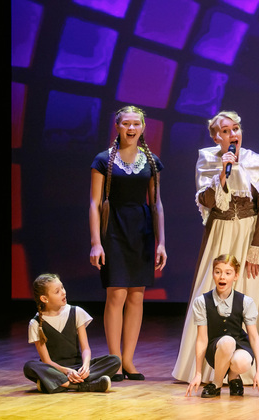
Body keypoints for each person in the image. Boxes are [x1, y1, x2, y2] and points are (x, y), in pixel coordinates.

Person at [172, 110, 259, 385]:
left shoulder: (258, 161)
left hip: (250, 234)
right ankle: (204, 368)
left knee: (249, 291)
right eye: (225, 131)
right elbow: (207, 201)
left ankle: (246, 367)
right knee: (211, 291)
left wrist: (258, 248)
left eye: (235, 128)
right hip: (221, 233)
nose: (232, 134)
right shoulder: (207, 160)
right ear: (216, 137)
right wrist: (222, 176)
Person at [89, 105, 167, 382]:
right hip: (114, 230)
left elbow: (156, 203)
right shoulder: (103, 160)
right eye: (126, 124)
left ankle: (129, 360)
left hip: (141, 231)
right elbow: (94, 203)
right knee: (117, 294)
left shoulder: (151, 161)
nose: (131, 128)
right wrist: (96, 242)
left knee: (136, 295)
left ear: (143, 127)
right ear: (117, 126)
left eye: (136, 124)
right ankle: (115, 361)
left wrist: (161, 242)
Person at [23, 274, 121, 393]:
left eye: (62, 288)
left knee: (114, 360)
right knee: (30, 367)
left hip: (78, 368)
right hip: (56, 370)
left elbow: (86, 349)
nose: (63, 292)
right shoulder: (36, 323)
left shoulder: (76, 312)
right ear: (44, 299)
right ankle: (84, 386)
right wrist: (67, 371)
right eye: (57, 291)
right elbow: (46, 361)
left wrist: (85, 366)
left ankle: (56, 384)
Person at [185, 255, 259, 398]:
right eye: (218, 272)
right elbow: (202, 339)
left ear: (236, 276)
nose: (222, 277)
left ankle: (233, 377)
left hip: (239, 344)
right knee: (227, 342)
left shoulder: (245, 301)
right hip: (216, 348)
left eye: (228, 273)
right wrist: (198, 373)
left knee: (242, 361)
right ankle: (217, 383)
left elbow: (254, 336)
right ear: (213, 274)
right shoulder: (202, 302)